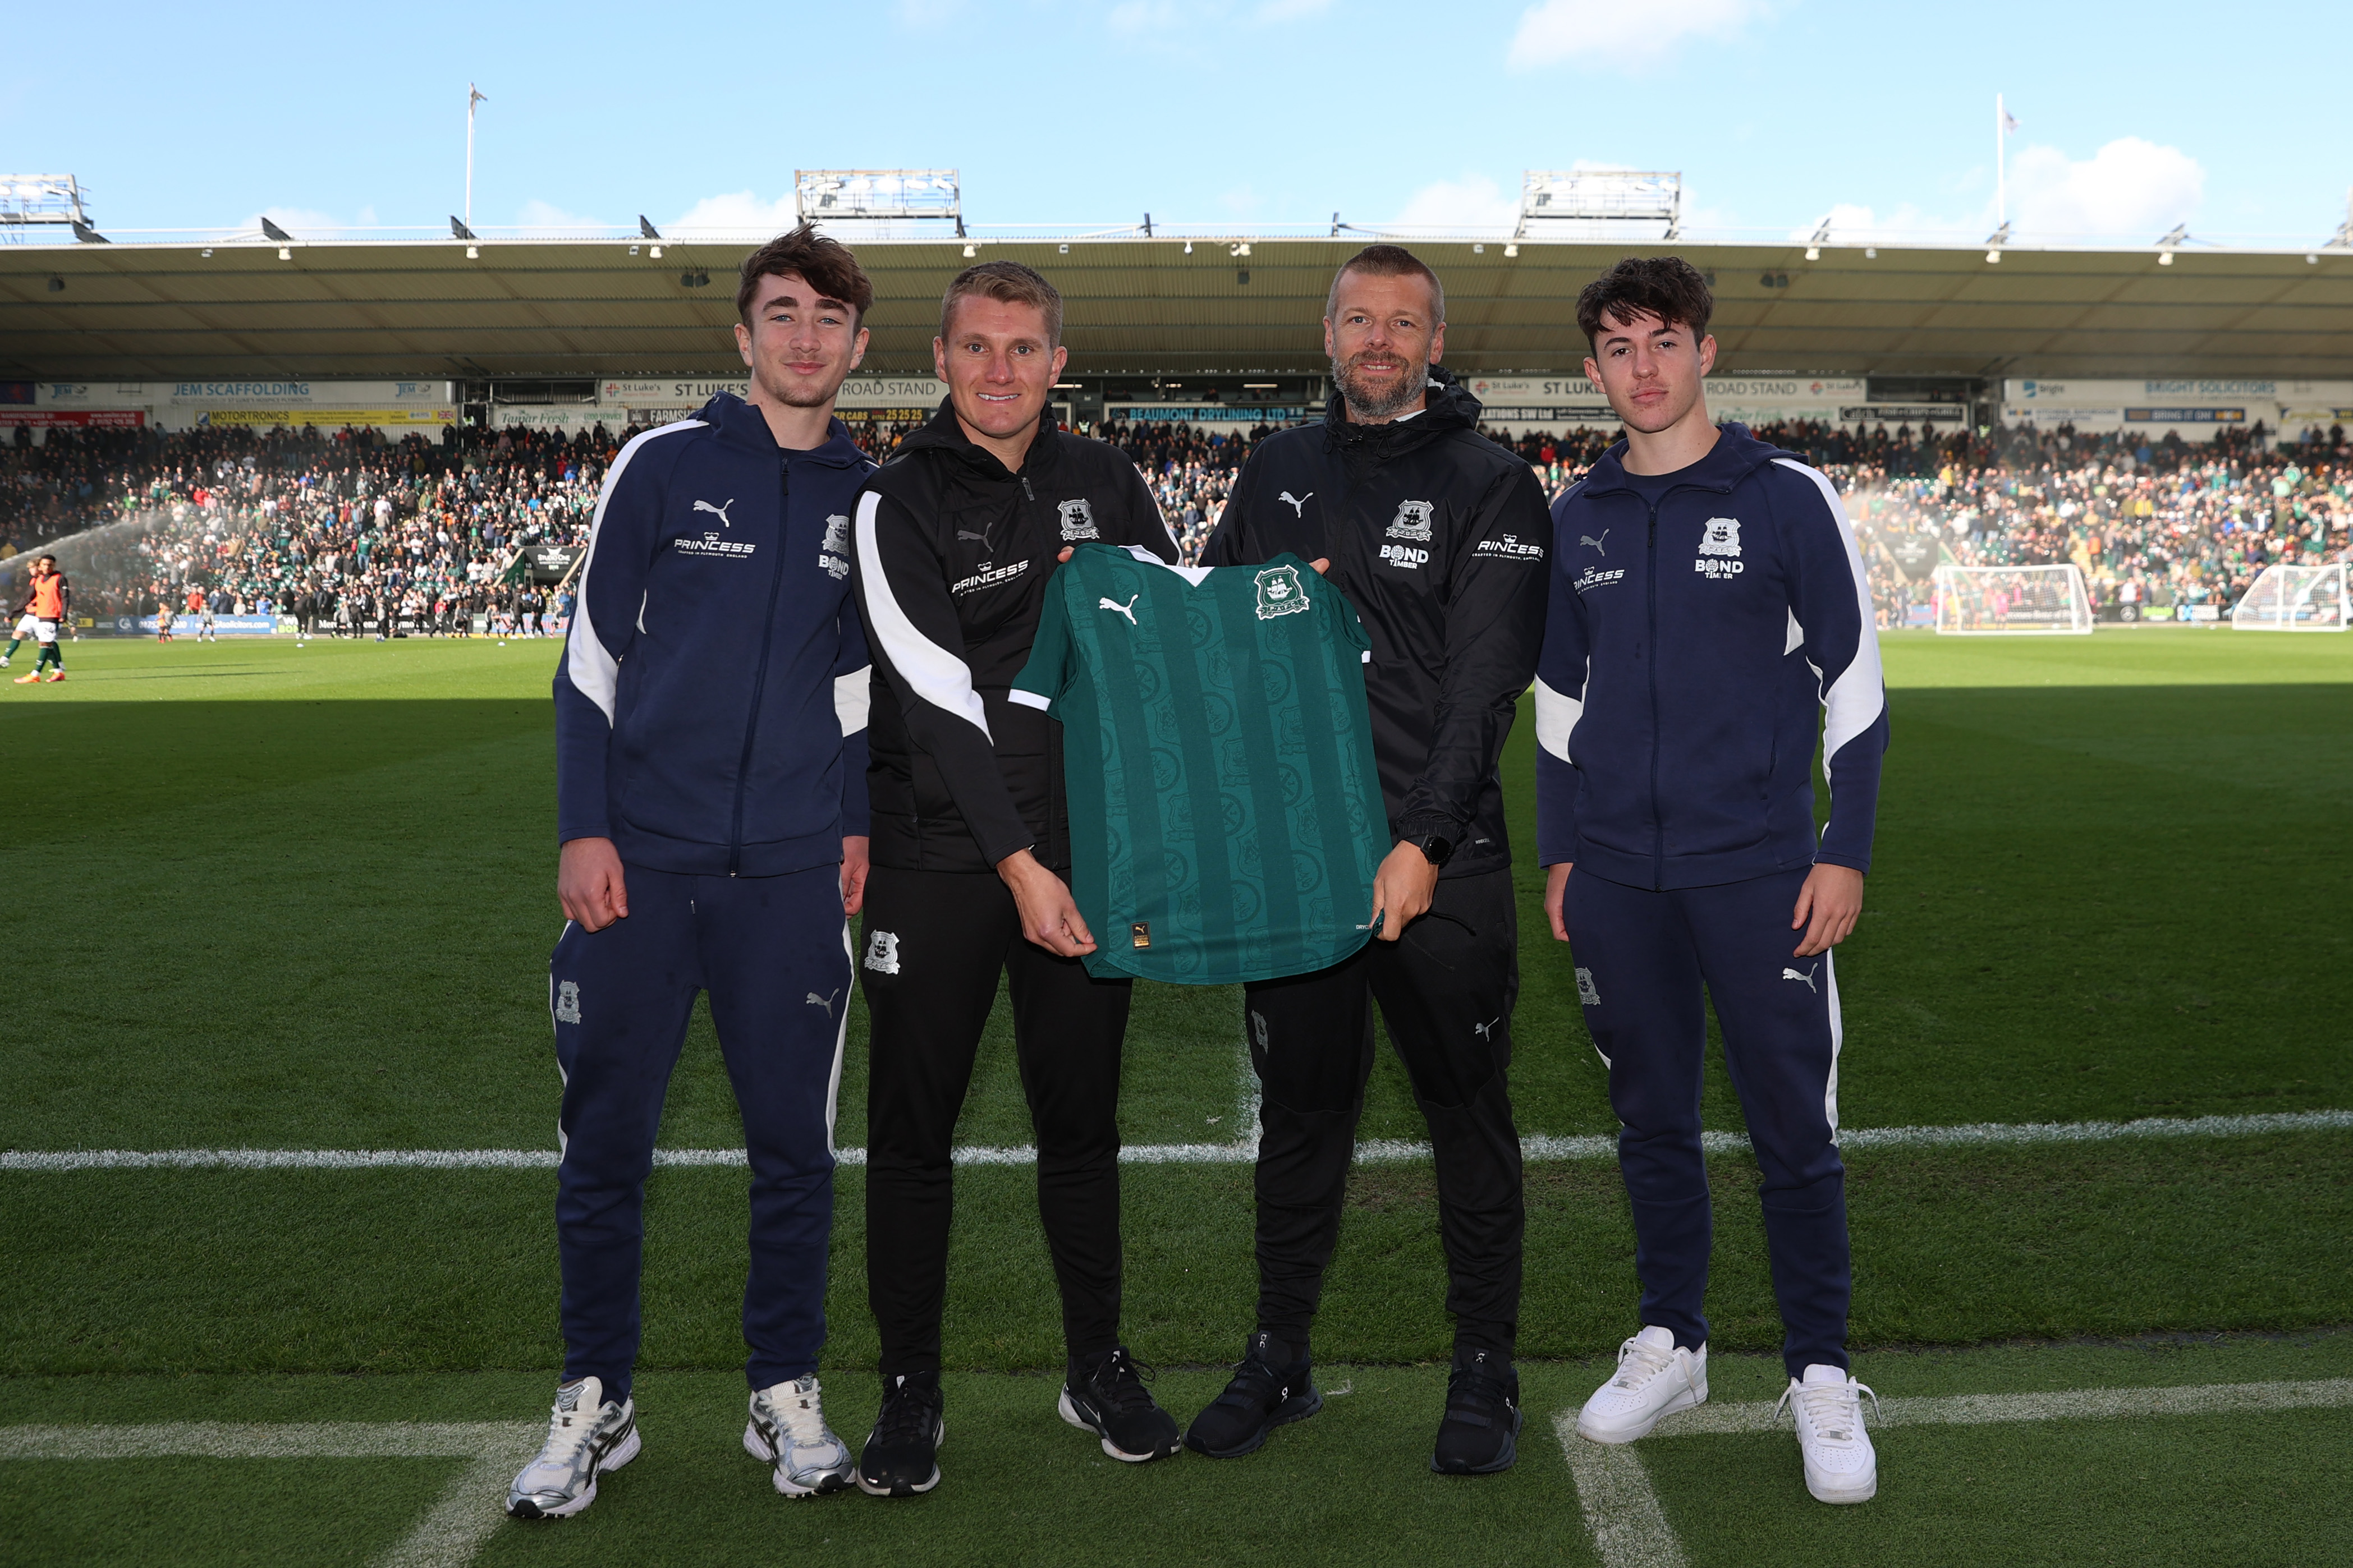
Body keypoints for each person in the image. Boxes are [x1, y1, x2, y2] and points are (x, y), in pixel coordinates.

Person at [507, 224, 880, 1520]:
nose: (803, 337)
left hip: (787, 879)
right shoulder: (660, 466)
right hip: (640, 868)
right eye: (781, 312)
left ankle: (782, 1388)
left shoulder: (866, 498)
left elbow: (855, 686)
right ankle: (595, 1398)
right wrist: (582, 824)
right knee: (603, 1147)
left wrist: (852, 820)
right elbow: (592, 659)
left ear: (858, 345)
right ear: (743, 333)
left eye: (828, 319)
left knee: (796, 1152)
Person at [1188, 244, 1552, 1474]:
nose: (1378, 340)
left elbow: (1481, 683)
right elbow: (1217, 645)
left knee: (1464, 1116)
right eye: (1357, 318)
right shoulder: (1275, 468)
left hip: (1438, 867)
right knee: (1298, 1119)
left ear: (1432, 342)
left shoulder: (1492, 481)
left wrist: (1422, 839)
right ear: (1328, 334)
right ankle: (1277, 1350)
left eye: (1402, 321)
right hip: (1296, 863)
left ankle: (1484, 1365)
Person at [1537, 257, 1889, 1504]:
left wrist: (1840, 845)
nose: (1642, 365)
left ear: (1703, 352)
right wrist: (1561, 848)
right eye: (1617, 345)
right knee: (1649, 1120)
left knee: (1791, 1132)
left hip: (1759, 874)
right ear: (1589, 368)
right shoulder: (1573, 513)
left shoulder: (1783, 494)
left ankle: (1819, 1370)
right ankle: (1671, 1339)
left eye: (1663, 340)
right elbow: (1556, 702)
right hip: (1619, 879)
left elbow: (1853, 685)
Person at [850, 260, 1184, 1495]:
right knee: (911, 1133)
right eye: (977, 346)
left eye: (1025, 346)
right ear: (937, 358)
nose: (1000, 369)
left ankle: (1095, 1359)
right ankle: (908, 1386)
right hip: (944, 862)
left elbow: (1163, 634)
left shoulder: (1105, 479)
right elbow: (937, 702)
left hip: (1087, 862)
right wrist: (1017, 862)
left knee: (1080, 1122)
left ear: (1058, 360)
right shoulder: (891, 501)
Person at [11, 557, 68, 684]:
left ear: (54, 565)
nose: (47, 567)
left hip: (53, 615)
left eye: (50, 565)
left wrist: (63, 615)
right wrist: (13, 613)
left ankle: (35, 674)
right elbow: (28, 597)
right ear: (40, 566)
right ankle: (59, 672)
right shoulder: (39, 580)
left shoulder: (60, 578)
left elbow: (65, 598)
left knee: (45, 644)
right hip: (41, 615)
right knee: (46, 644)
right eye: (44, 565)